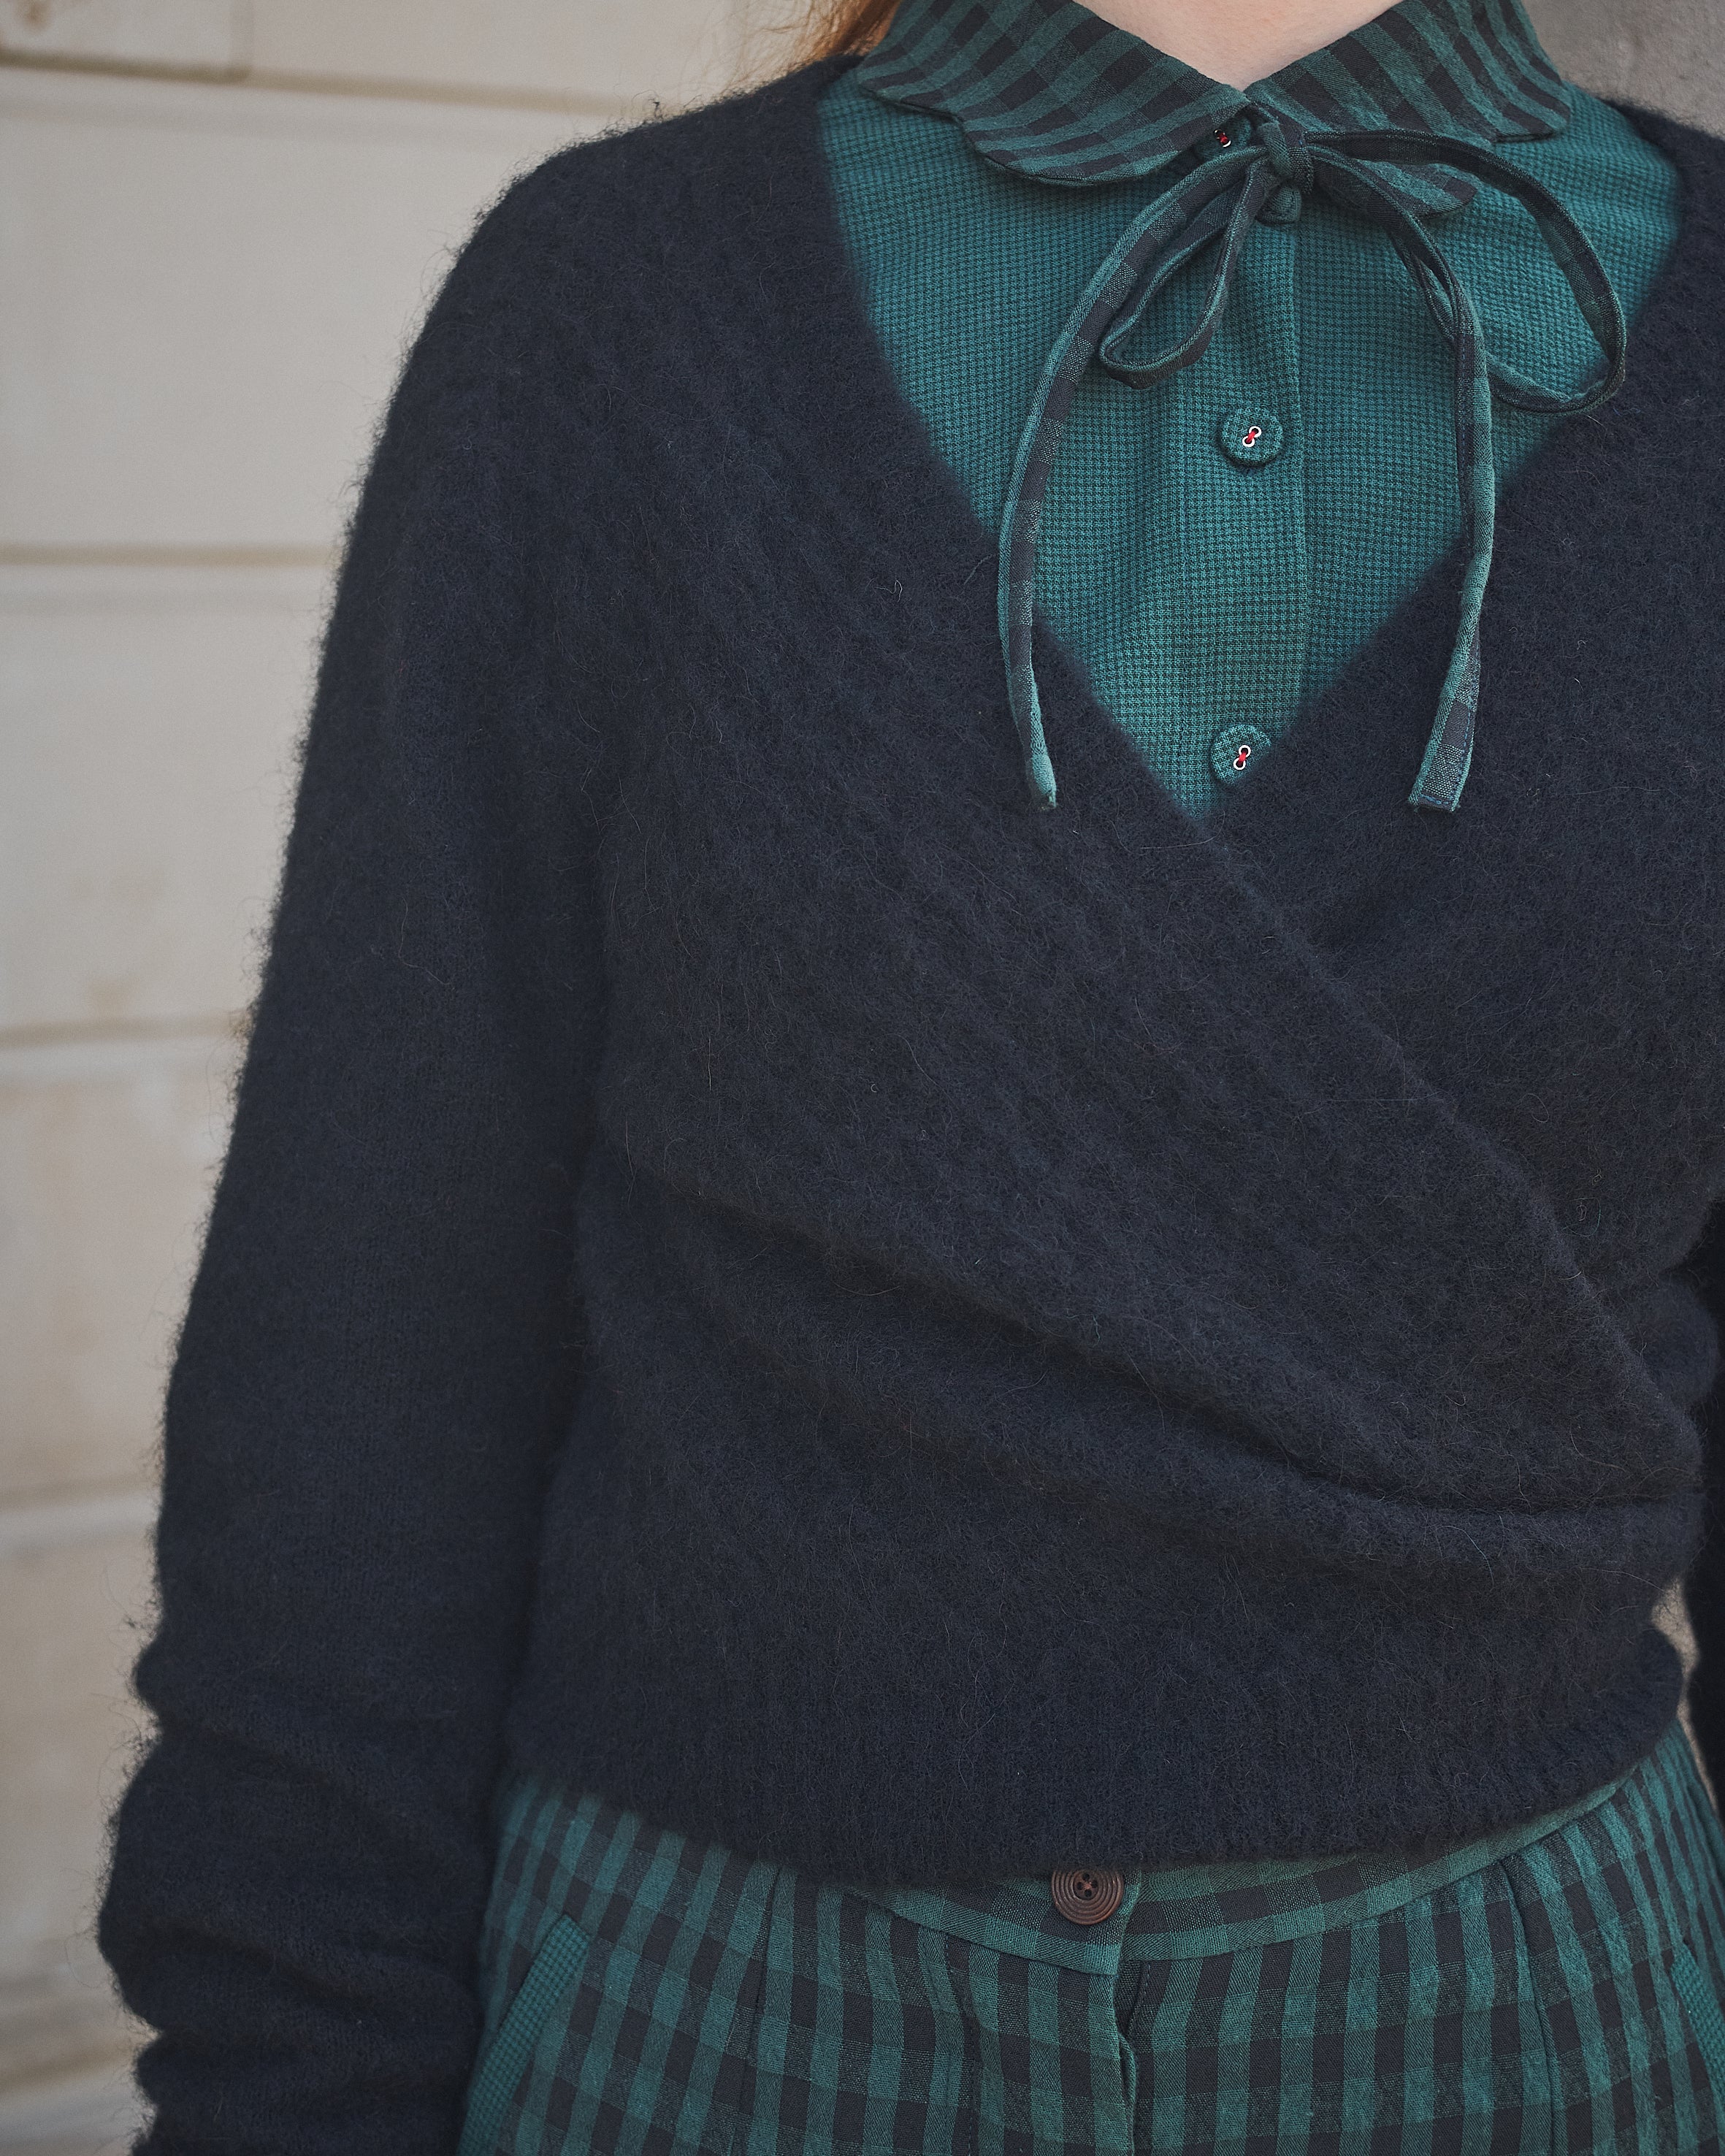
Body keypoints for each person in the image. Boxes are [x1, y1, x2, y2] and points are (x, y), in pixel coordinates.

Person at [97, 0, 1725, 2146]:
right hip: (716, 2006)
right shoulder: (615, 303)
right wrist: (285, 2080)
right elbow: (366, 1314)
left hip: (1522, 2013)